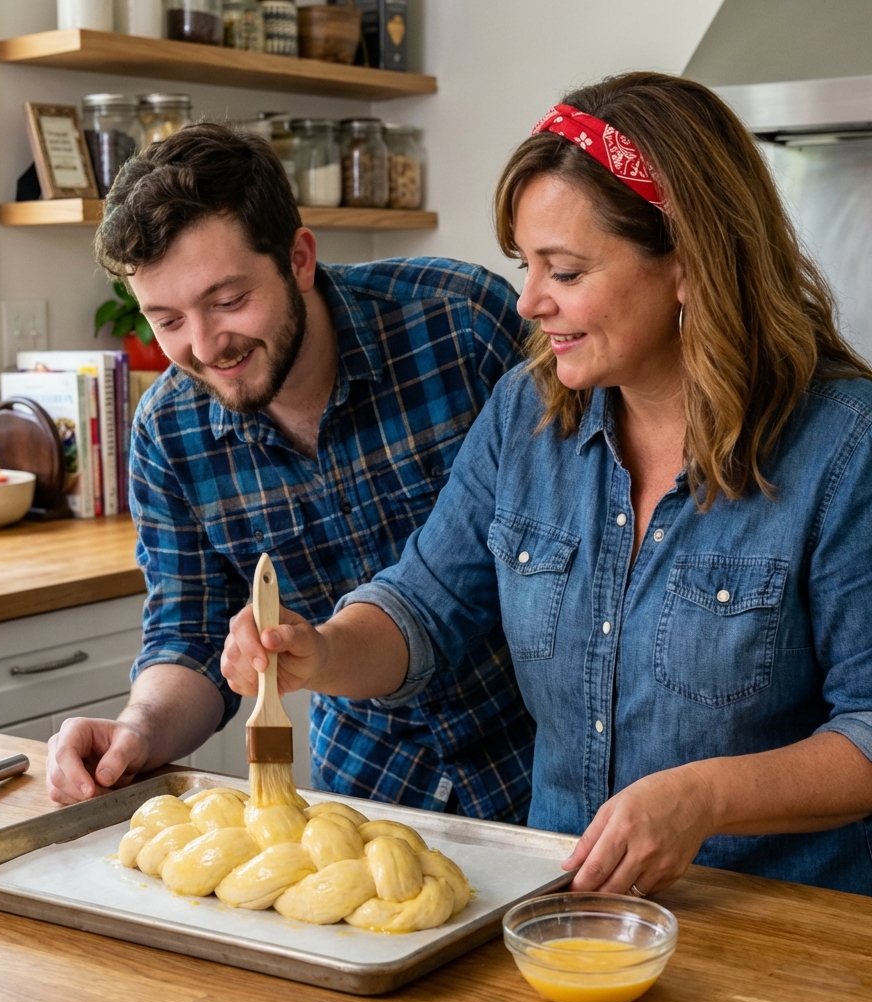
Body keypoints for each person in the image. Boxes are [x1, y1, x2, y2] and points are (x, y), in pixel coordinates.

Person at [223, 72, 872, 896]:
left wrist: (704, 799)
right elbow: (424, 605)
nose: (528, 301)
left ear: (687, 264)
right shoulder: (526, 415)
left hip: (784, 928)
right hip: (564, 911)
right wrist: (320, 652)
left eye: (563, 272)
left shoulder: (844, 445)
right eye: (525, 265)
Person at [45, 122, 537, 823]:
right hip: (371, 795)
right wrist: (138, 732)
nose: (205, 345)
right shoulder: (168, 433)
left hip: (549, 766)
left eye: (228, 300)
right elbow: (188, 636)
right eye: (167, 318)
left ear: (299, 258)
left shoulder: (461, 326)